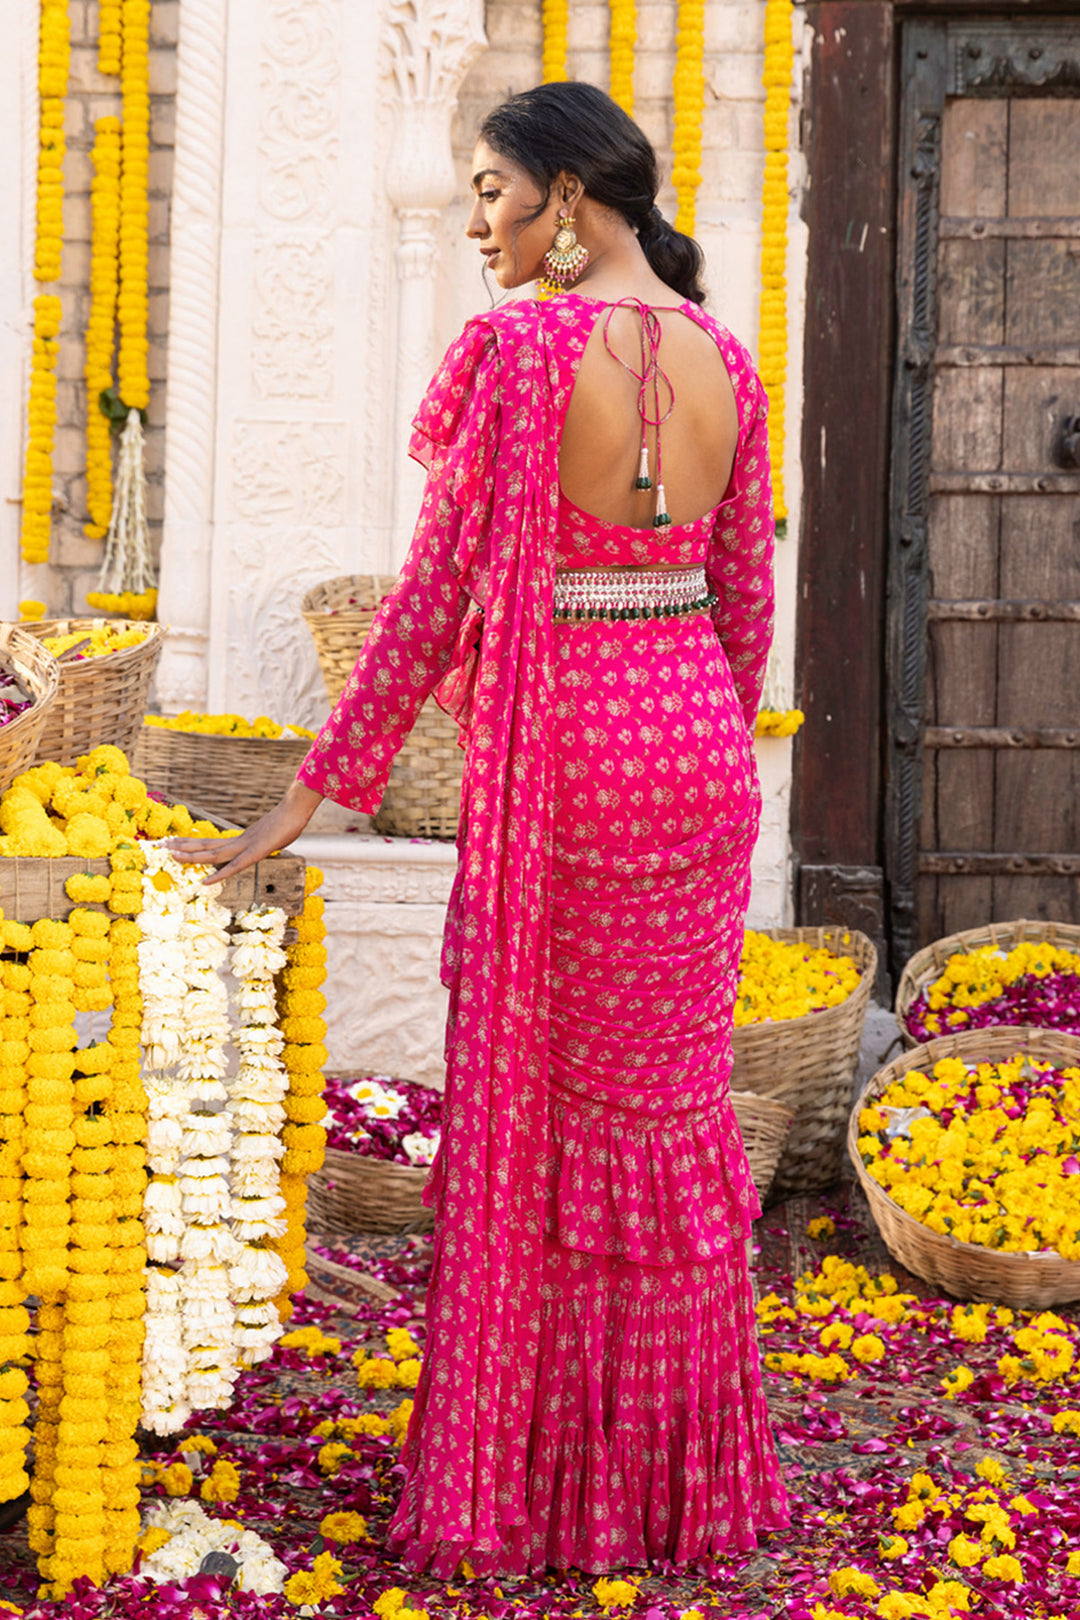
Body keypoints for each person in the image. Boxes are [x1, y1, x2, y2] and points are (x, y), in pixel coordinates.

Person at [172, 80, 789, 1578]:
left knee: (546, 1125)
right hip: (697, 761)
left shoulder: (520, 354)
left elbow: (432, 600)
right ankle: (670, 1486)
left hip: (573, 757)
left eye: (492, 194)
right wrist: (692, 735)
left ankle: (539, 1484)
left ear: (567, 202)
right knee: (667, 1118)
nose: (476, 224)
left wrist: (311, 791)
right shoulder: (723, 354)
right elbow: (747, 608)